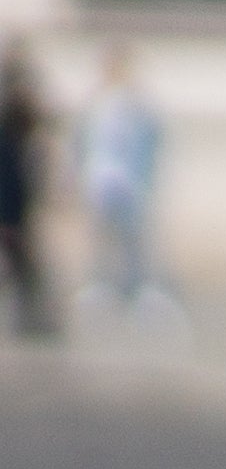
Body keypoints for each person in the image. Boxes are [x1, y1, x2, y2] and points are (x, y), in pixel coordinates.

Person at [75, 49, 161, 322]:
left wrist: (144, 180)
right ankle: (103, 286)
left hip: (128, 183)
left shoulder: (135, 106)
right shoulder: (97, 104)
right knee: (103, 238)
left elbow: (148, 145)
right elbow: (83, 145)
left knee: (131, 240)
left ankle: (135, 290)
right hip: (101, 181)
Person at [0, 41, 50, 342]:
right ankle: (29, 313)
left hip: (15, 200)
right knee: (20, 259)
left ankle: (30, 313)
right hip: (11, 200)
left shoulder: (17, 125)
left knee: (21, 260)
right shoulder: (11, 127)